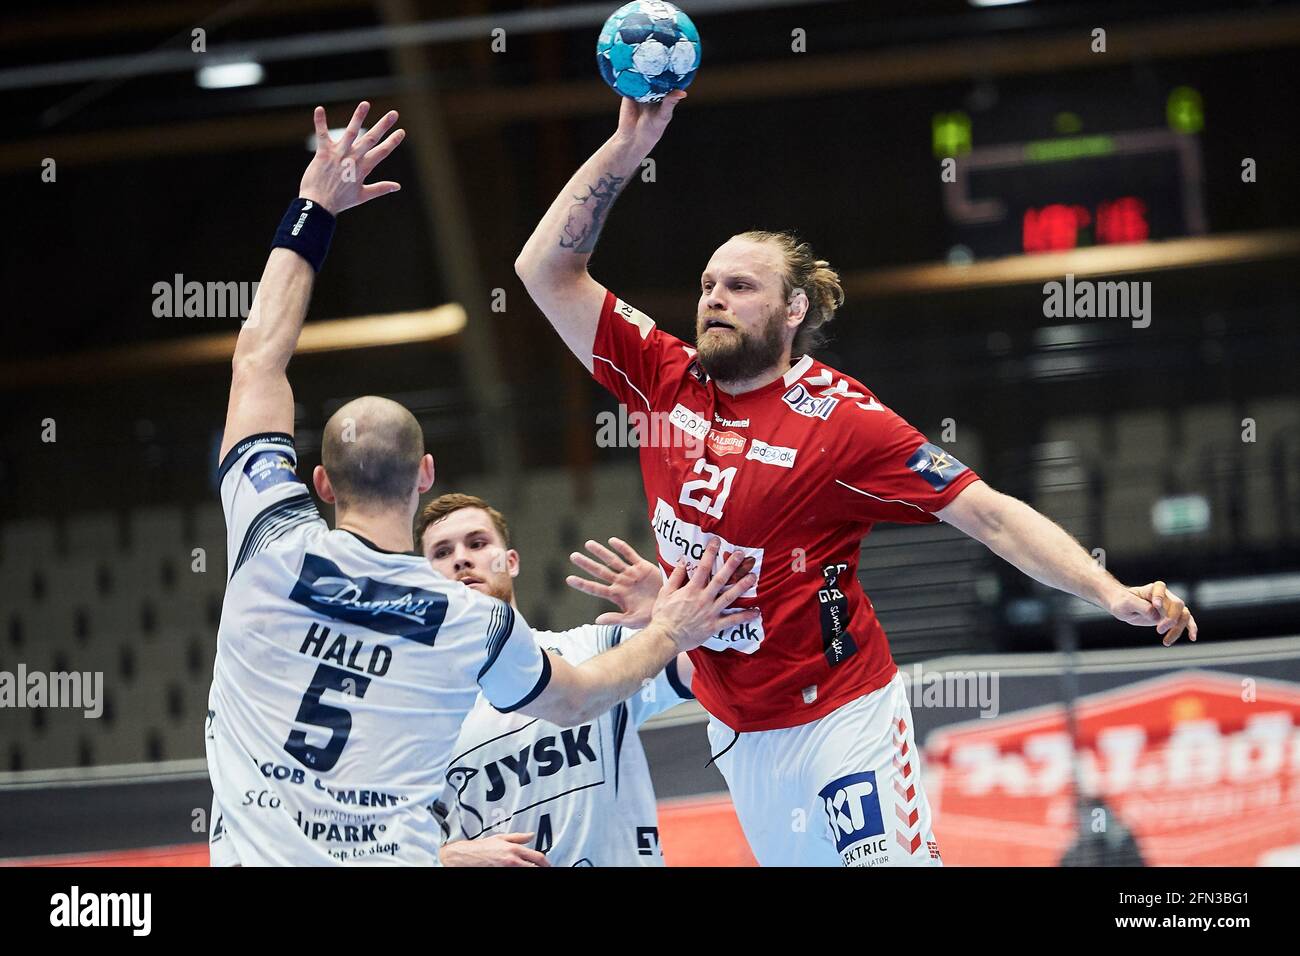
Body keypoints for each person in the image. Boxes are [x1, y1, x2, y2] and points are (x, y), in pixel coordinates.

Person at [512, 91, 1199, 867]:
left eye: (741, 286)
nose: (714, 298)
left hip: (844, 716)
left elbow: (991, 516)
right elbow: (544, 269)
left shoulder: (841, 421)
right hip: (738, 730)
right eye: (708, 285)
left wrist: (1109, 593)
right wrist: (626, 150)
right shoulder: (662, 378)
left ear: (793, 308)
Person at [206, 101, 757, 866]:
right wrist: (669, 629)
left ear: (321, 483)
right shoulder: (468, 623)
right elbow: (573, 698)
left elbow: (258, 360)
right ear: (424, 474)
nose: (465, 558)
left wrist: (313, 209)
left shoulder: (269, 539)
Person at [416, 495, 698, 867]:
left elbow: (710, 670)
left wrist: (669, 610)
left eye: (478, 543)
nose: (461, 558)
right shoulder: (410, 714)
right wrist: (444, 858)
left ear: (511, 561)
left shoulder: (596, 649)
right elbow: (363, 850)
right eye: (441, 552)